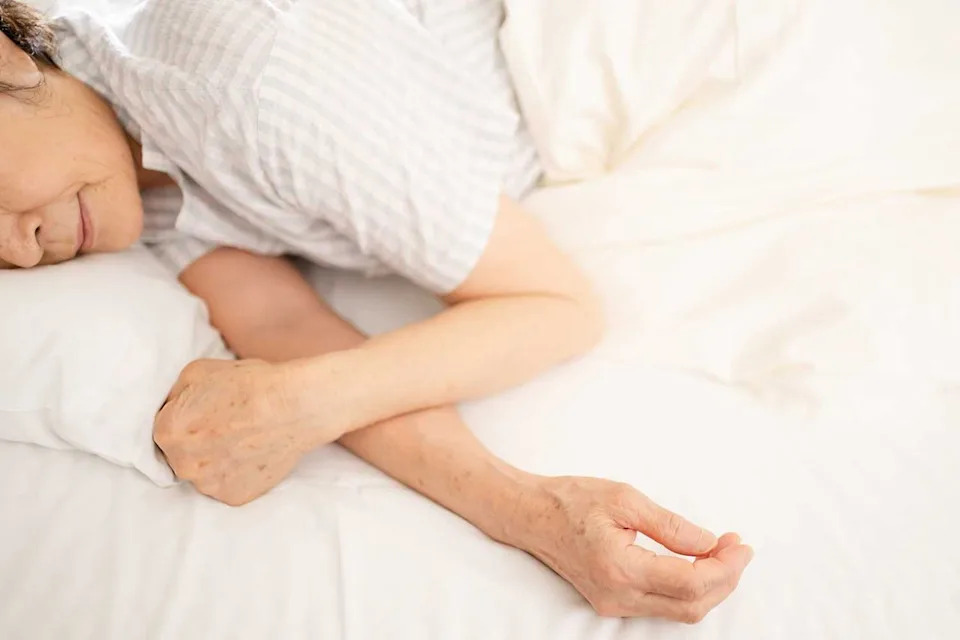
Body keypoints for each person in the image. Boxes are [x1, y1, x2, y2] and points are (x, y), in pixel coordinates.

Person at [0, 0, 752, 621]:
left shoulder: (251, 81)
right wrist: (538, 514)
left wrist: (304, 400)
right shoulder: (128, 190)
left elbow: (556, 305)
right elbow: (289, 331)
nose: (23, 252)